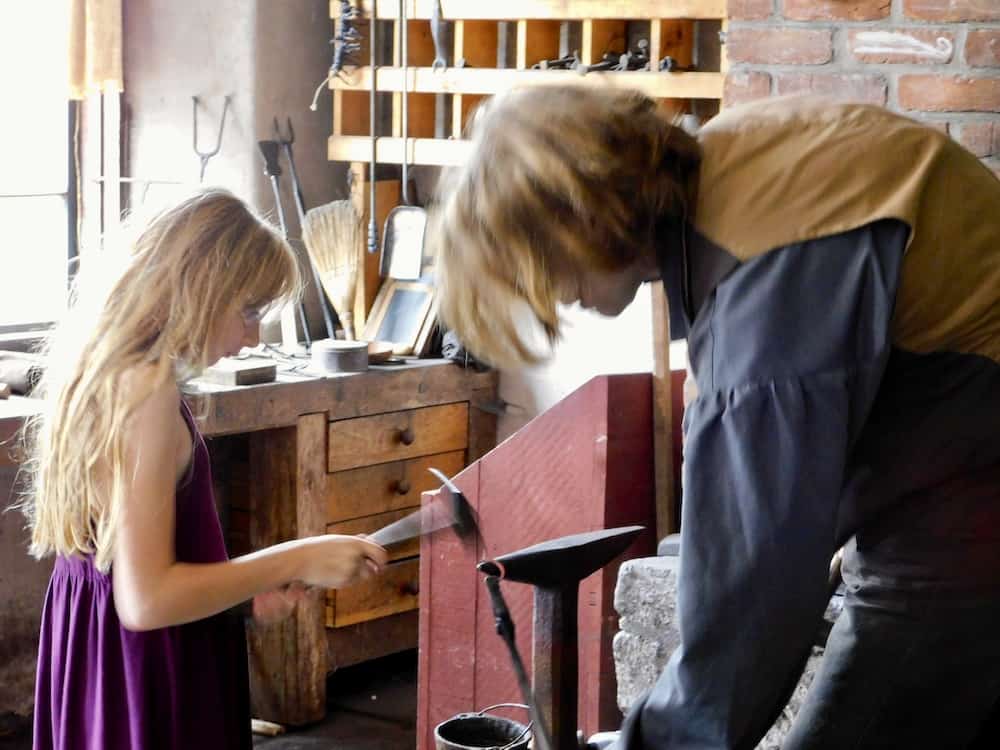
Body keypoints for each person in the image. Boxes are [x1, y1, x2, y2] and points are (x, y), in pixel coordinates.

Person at [430, 86, 1000, 748]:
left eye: (536, 268)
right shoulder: (735, 173)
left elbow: (754, 602)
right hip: (950, 469)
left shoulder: (762, 287)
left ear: (580, 216)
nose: (550, 295)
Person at [19, 189, 389, 750]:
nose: (253, 336)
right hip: (148, 671)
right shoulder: (146, 392)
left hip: (100, 651)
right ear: (196, 286)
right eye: (248, 310)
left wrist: (241, 597)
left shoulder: (103, 367)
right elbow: (145, 602)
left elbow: (130, 571)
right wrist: (298, 556)